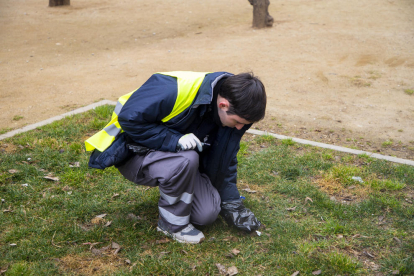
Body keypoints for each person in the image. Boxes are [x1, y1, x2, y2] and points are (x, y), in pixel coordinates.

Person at [85, 71, 267, 244]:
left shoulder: (235, 113)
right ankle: (172, 226)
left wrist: (232, 203)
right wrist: (175, 139)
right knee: (187, 159)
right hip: (133, 152)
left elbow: (225, 161)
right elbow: (129, 119)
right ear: (223, 105)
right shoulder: (172, 88)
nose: (239, 128)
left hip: (178, 159)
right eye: (237, 122)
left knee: (207, 214)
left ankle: (175, 186)